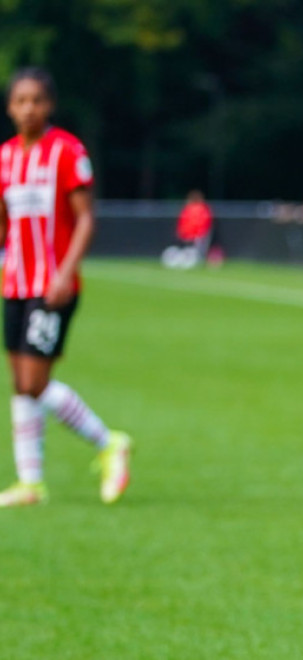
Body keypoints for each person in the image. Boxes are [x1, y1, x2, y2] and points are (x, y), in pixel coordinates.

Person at [0, 68, 132, 507]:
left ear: (50, 105)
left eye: (36, 100)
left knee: (36, 383)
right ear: (9, 108)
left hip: (52, 285)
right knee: (20, 383)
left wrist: (64, 273)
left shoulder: (67, 151)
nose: (28, 108)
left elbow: (86, 219)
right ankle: (31, 483)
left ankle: (108, 441)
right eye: (20, 101)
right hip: (16, 282)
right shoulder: (5, 158)